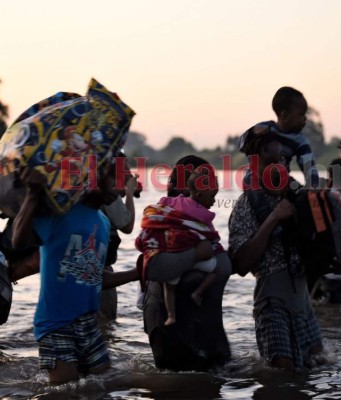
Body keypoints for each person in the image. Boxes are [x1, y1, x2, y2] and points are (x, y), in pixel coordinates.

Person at [11, 164, 139, 384]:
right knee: (66, 392)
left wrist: (139, 272)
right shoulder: (61, 213)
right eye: (115, 179)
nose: (120, 188)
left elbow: (95, 277)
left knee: (102, 388)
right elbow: (18, 242)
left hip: (88, 323)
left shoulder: (104, 222)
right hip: (56, 323)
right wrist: (32, 195)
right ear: (95, 177)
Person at [229, 131, 324, 370]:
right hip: (272, 302)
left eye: (282, 159)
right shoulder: (245, 206)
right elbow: (240, 265)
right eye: (271, 161)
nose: (279, 165)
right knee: (281, 372)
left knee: (319, 364)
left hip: (303, 300)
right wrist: (273, 218)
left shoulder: (298, 197)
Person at [136, 165, 225, 326]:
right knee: (217, 269)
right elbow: (211, 237)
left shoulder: (171, 201)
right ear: (199, 194)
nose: (213, 201)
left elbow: (161, 205)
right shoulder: (203, 214)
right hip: (190, 257)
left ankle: (171, 316)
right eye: (212, 197)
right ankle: (198, 293)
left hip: (169, 255)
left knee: (169, 286)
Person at [238, 86, 319, 188]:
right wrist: (252, 133)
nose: (305, 118)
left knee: (297, 191)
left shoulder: (300, 140)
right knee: (251, 179)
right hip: (257, 178)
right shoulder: (265, 128)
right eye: (301, 114)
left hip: (281, 179)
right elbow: (241, 145)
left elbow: (309, 166)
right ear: (284, 116)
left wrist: (314, 186)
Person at [98, 154, 140, 320]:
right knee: (104, 327)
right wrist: (129, 193)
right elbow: (127, 226)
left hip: (77, 271)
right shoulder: (107, 192)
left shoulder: (85, 189)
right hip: (102, 271)